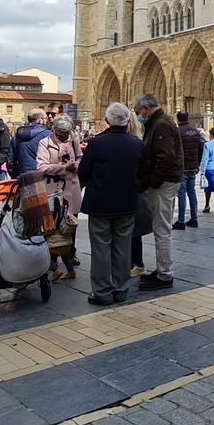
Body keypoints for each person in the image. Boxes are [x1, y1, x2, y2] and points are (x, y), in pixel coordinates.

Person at [80, 103, 143, 306]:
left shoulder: (97, 144)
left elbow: (83, 173)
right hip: (126, 203)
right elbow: (144, 173)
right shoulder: (137, 144)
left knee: (100, 249)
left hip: (100, 204)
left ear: (107, 121)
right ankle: (121, 289)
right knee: (123, 248)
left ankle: (102, 292)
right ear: (127, 121)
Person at [134, 93, 182, 291]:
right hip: (164, 181)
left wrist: (153, 182)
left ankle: (165, 275)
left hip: (164, 183)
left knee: (162, 229)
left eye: (138, 112)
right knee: (160, 227)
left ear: (146, 108)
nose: (138, 116)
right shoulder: (158, 122)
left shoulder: (161, 124)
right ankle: (162, 268)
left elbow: (165, 157)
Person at [36, 115, 82, 279]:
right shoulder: (44, 143)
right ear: (54, 131)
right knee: (53, 227)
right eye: (61, 135)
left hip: (71, 187)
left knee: (71, 225)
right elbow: (41, 167)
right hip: (53, 189)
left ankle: (70, 258)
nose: (64, 138)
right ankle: (53, 261)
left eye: (66, 134)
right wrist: (62, 168)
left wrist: (76, 164)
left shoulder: (73, 138)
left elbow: (79, 156)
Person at [175, 111, 203, 229]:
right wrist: (198, 163)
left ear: (178, 119)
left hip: (182, 167)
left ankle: (181, 221)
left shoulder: (177, 132)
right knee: (191, 192)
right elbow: (202, 148)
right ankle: (194, 218)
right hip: (193, 167)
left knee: (181, 194)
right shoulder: (196, 132)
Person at [10, 109, 51, 178]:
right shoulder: (48, 134)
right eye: (45, 118)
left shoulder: (17, 135)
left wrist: (15, 174)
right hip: (42, 175)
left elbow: (10, 160)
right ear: (40, 120)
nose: (47, 120)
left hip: (22, 175)